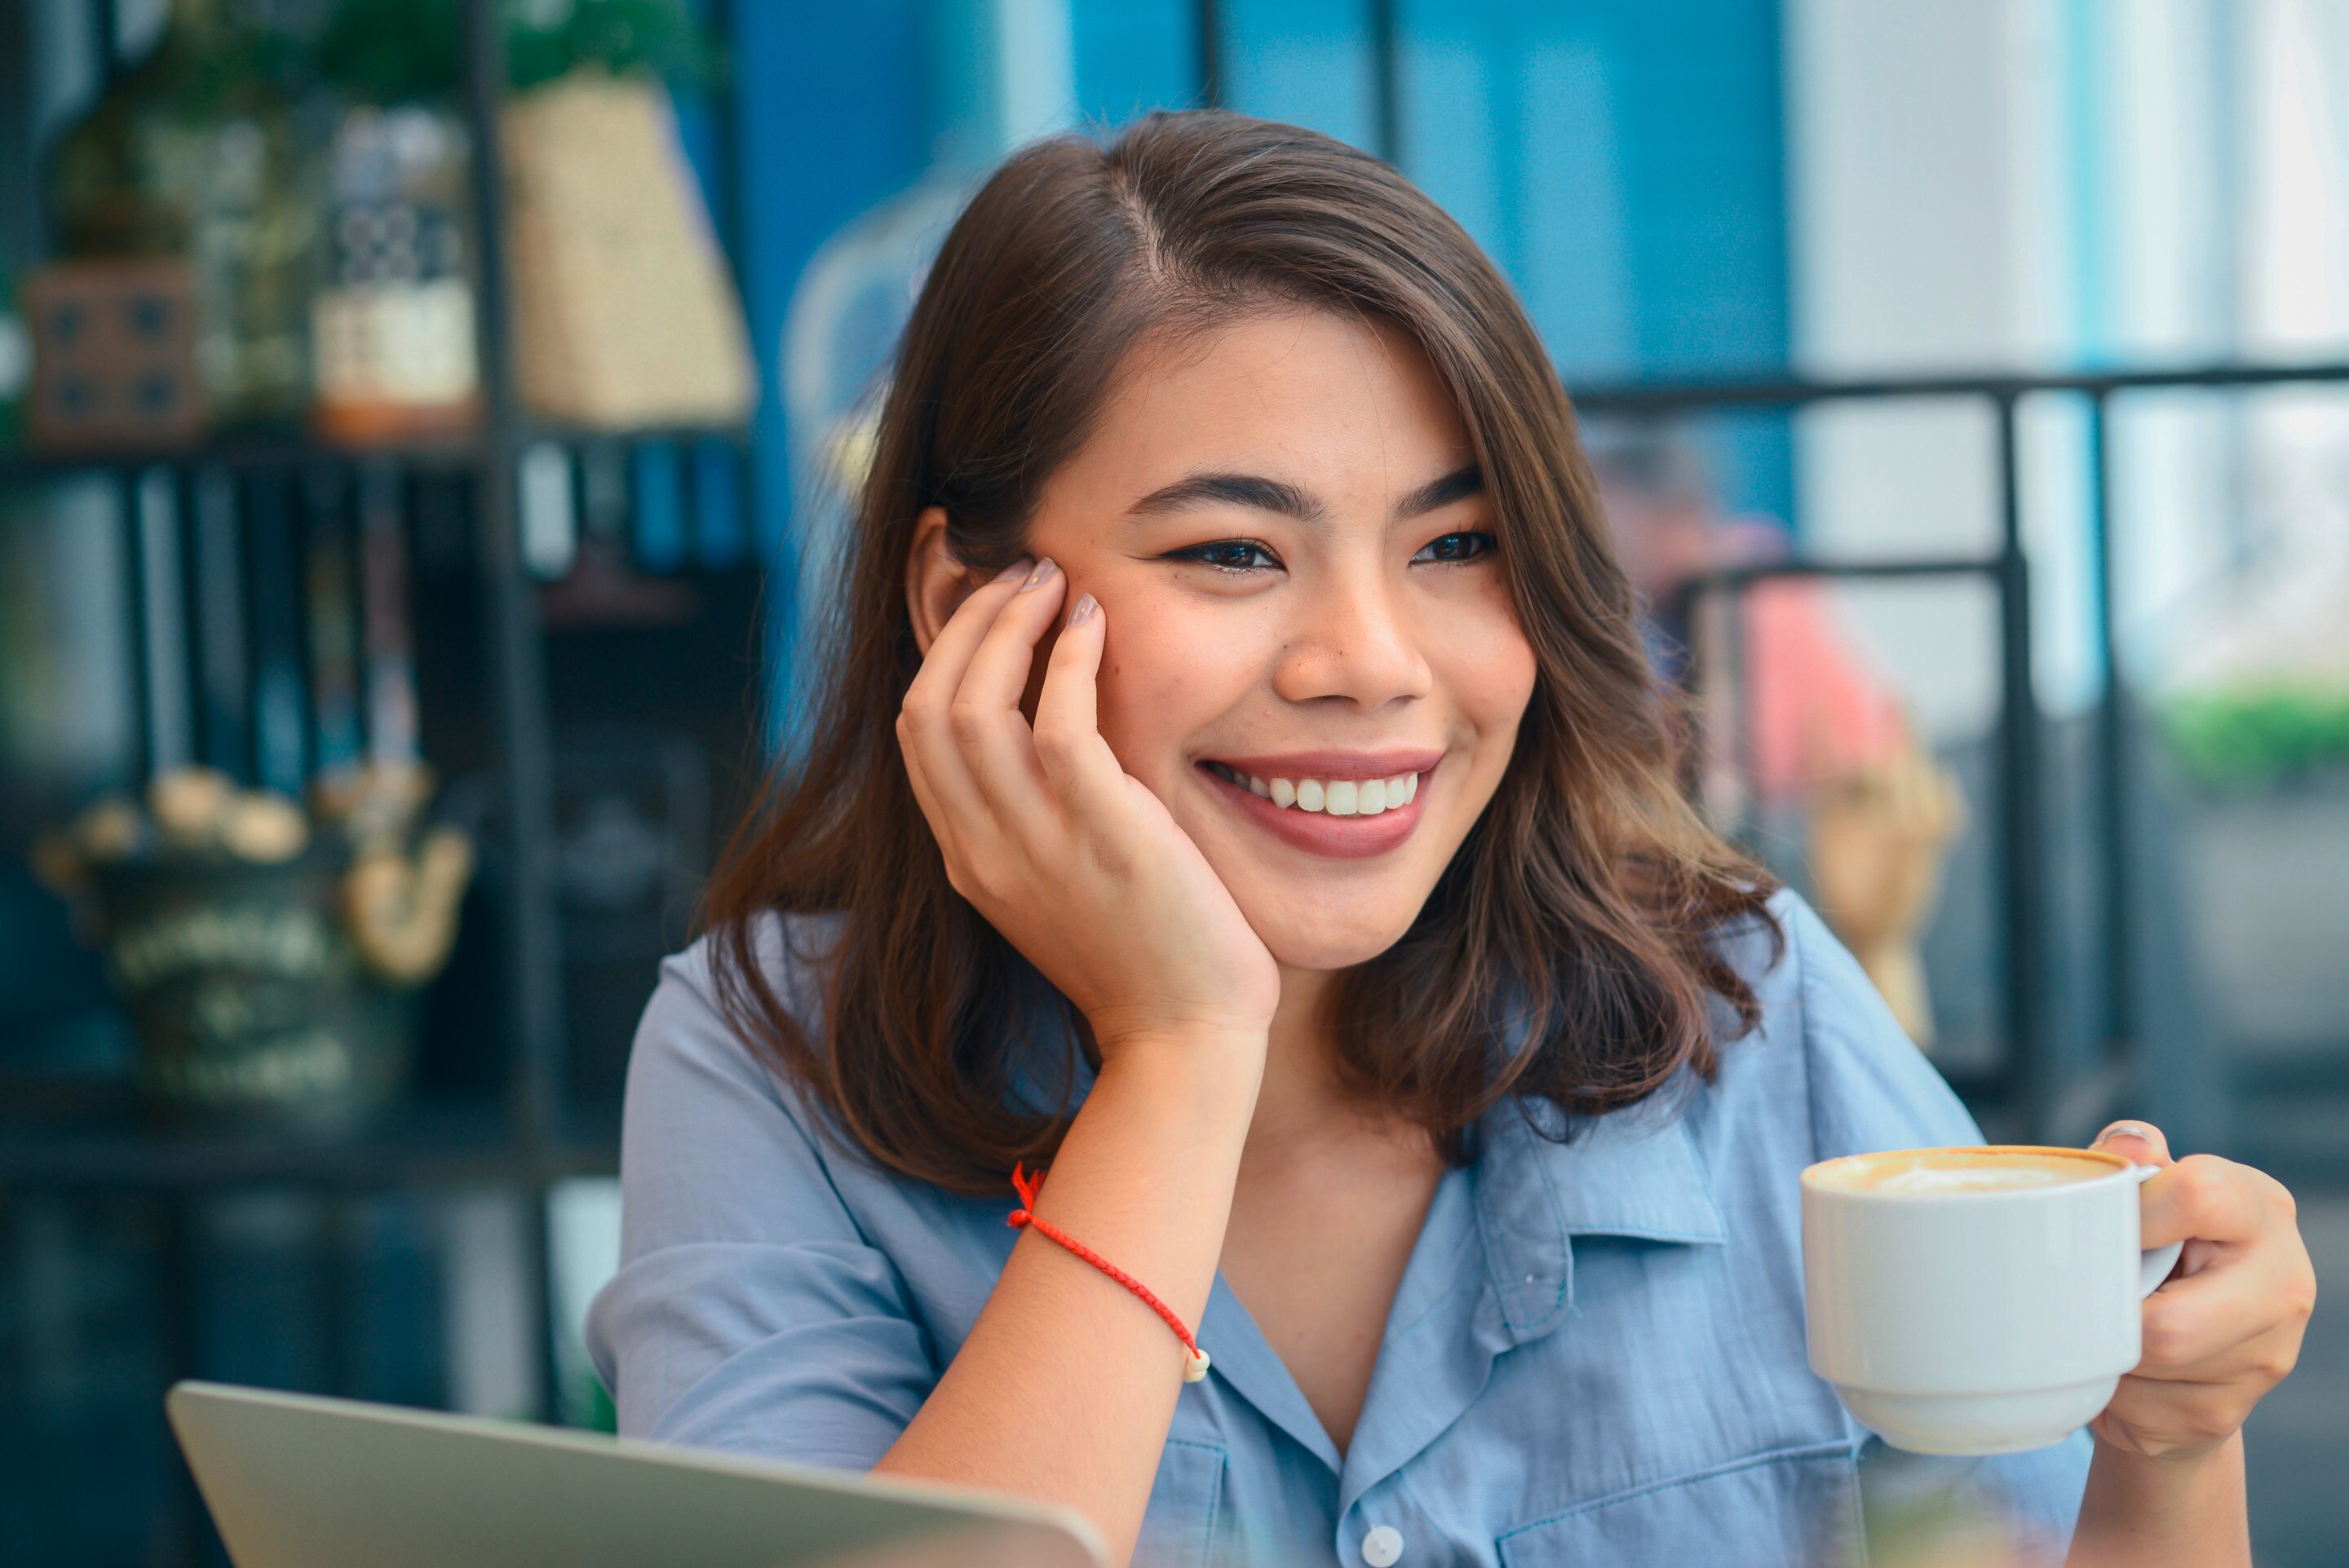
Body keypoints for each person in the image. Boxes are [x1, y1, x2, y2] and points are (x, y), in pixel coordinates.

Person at [586, 113, 2313, 1568]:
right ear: (972, 605)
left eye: (1457, 546)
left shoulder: (1740, 1005)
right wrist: (1180, 1051)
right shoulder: (767, 1063)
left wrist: (2171, 1440)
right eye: (1234, 554)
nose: (1373, 665)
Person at [1593, 430, 1967, 1045]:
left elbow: (1731, 760)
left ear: (1669, 513)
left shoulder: (1735, 579)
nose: (1599, 533)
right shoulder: (1668, 606)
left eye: (1610, 509)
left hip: (1839, 824)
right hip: (1793, 826)